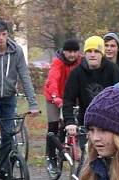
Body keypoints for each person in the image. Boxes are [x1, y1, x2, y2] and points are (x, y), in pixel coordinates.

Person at [0, 20, 40, 180]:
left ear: (8, 35)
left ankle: (5, 171)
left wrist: (33, 104)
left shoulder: (16, 51)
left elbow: (24, 76)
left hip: (9, 99)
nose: (1, 38)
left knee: (8, 136)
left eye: (4, 34)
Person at [61, 35, 119, 158]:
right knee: (88, 158)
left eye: (96, 51)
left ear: (102, 54)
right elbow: (68, 98)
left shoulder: (113, 70)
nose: (92, 55)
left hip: (109, 122)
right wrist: (69, 121)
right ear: (84, 54)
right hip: (87, 122)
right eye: (89, 51)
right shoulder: (77, 73)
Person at [44, 38, 81, 168]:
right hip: (54, 97)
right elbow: (53, 80)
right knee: (53, 126)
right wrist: (56, 98)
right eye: (69, 51)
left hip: (71, 98)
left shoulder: (80, 62)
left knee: (74, 123)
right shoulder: (57, 62)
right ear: (64, 52)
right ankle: (51, 157)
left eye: (75, 51)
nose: (72, 55)